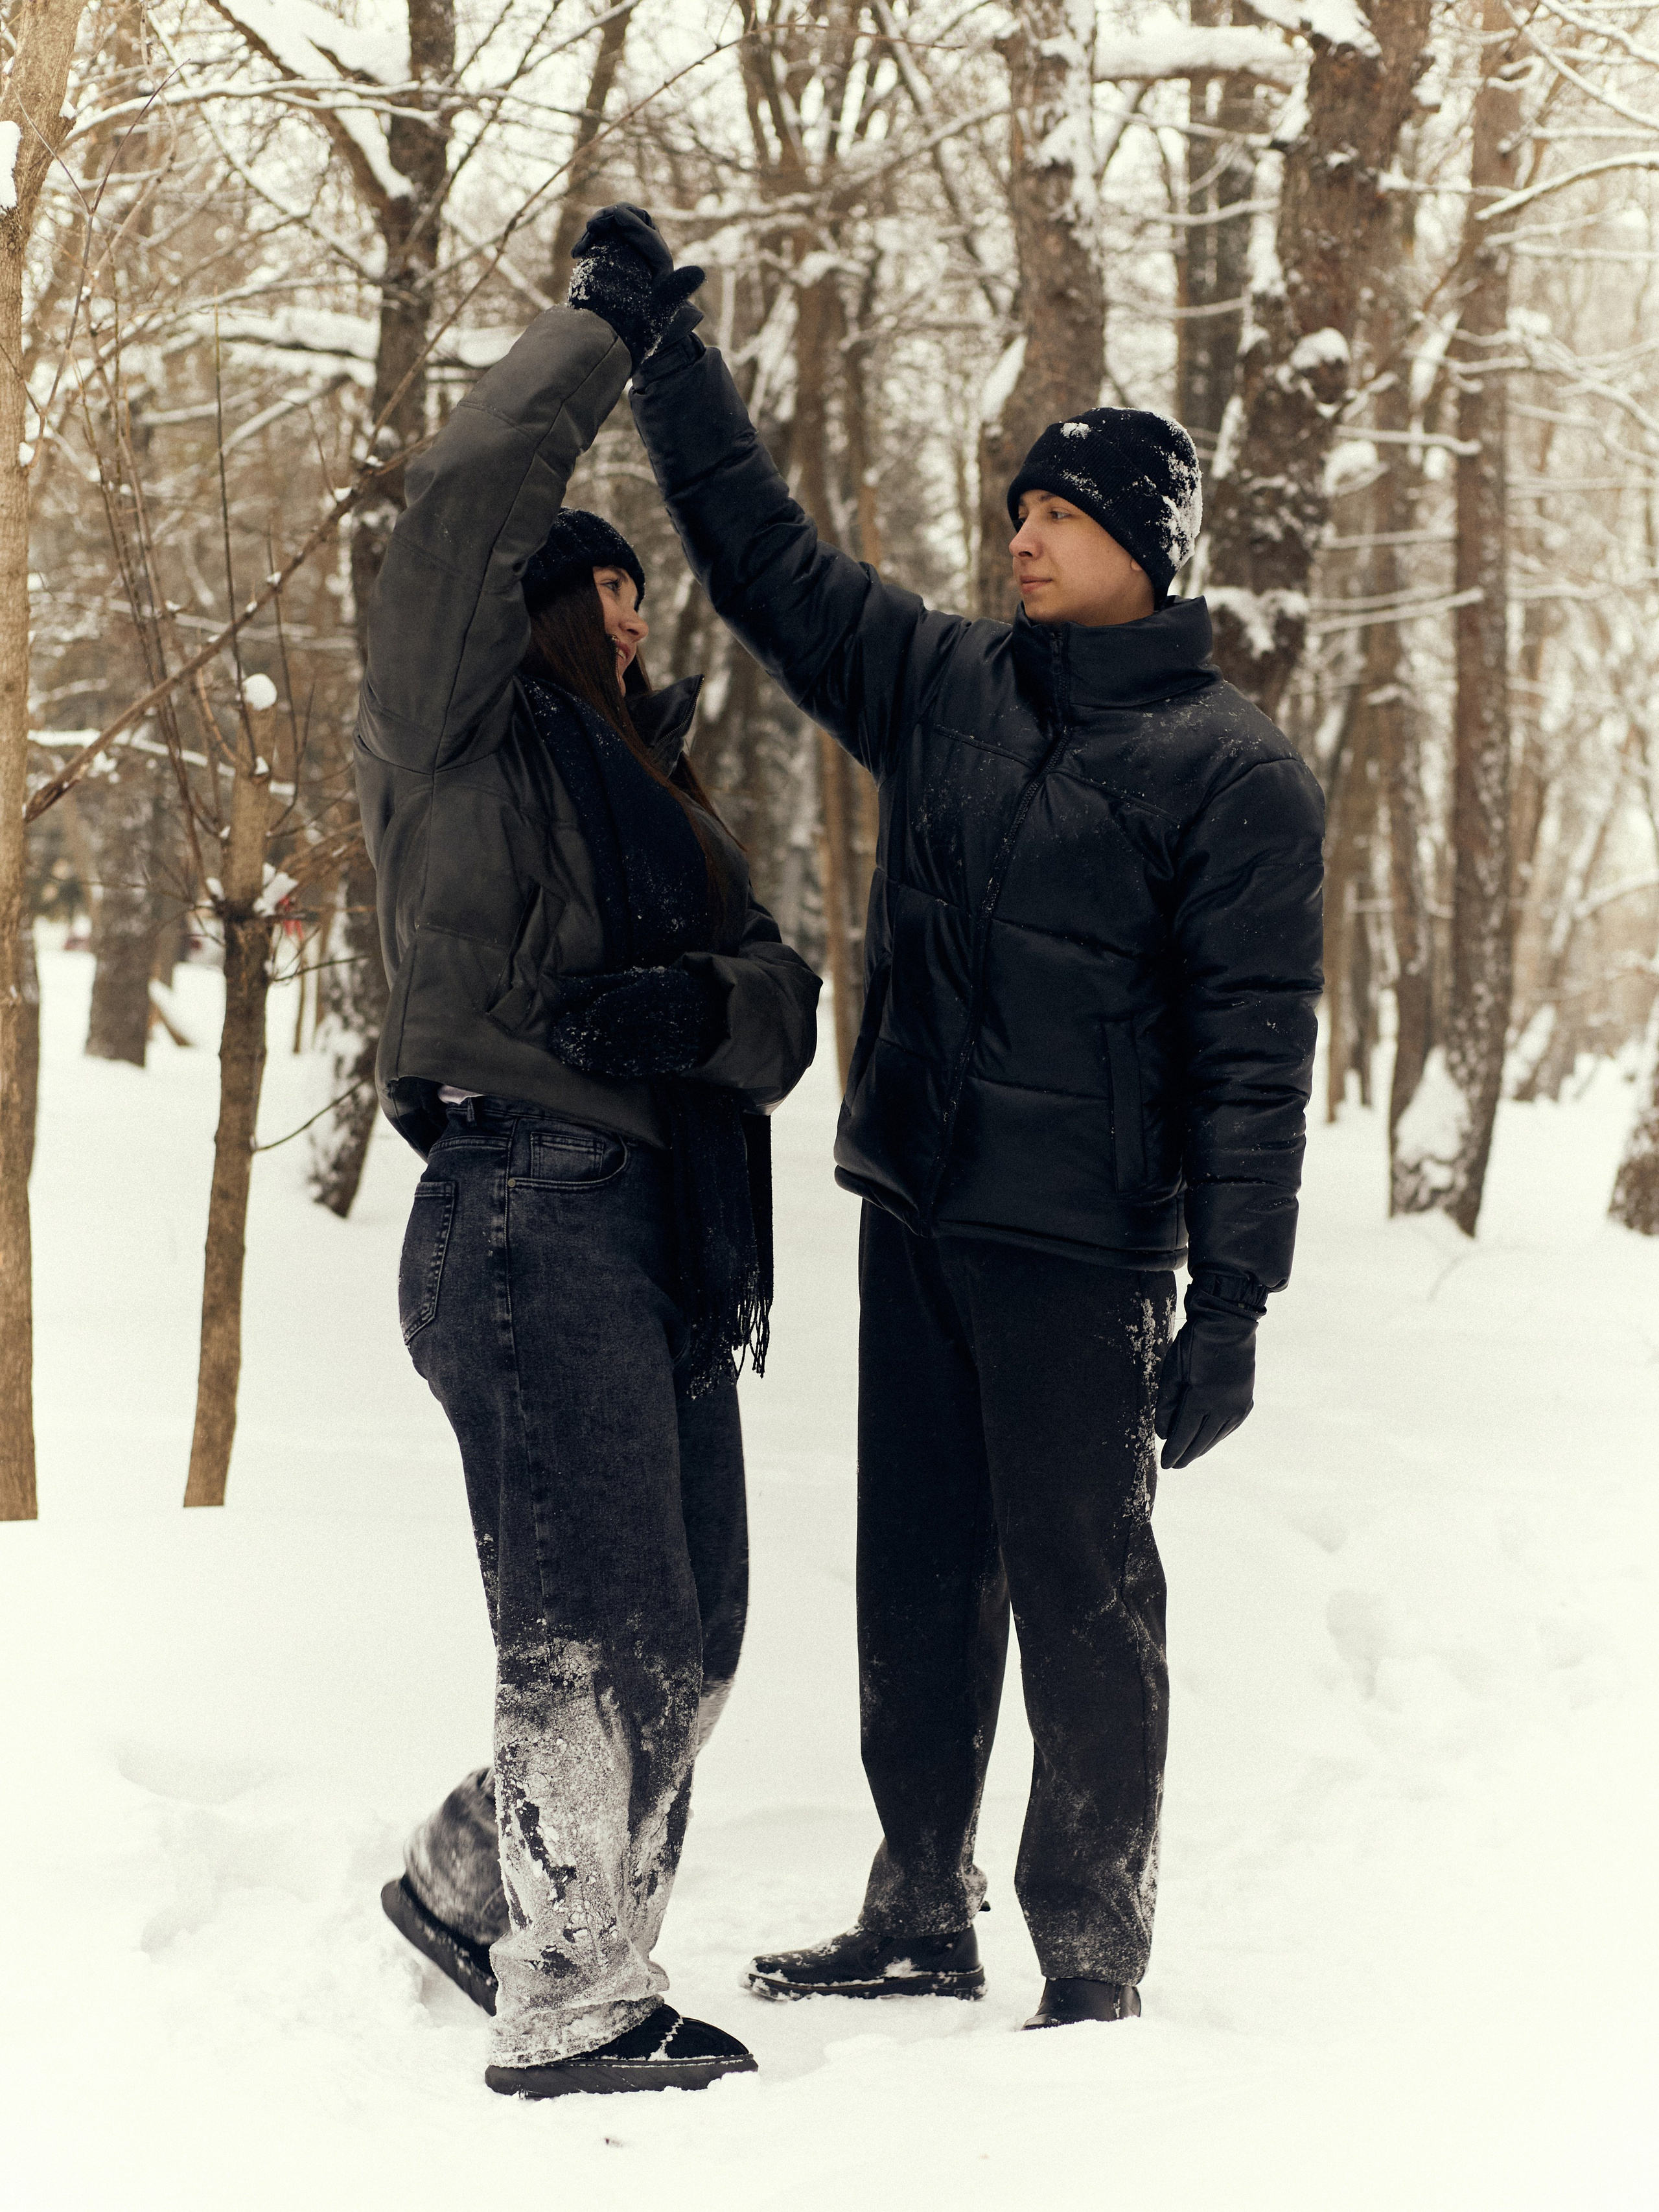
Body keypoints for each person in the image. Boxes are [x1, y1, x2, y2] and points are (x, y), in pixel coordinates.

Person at [567, 205, 1325, 2032]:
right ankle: (918, 1900)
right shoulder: (949, 687)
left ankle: (1094, 1944)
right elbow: (763, 559)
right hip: (918, 1203)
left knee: (1082, 1589)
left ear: (1148, 546)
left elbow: (1252, 1052)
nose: (1023, 538)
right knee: (912, 1570)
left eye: (1057, 515)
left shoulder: (1236, 776)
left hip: (1084, 1246)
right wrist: (668, 362)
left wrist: (1233, 1303)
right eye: (1016, 515)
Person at [356, 281, 821, 2097]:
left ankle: (470, 1885)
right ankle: (569, 1994)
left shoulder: (672, 803)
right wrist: (600, 342)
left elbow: (786, 1003)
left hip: (665, 1232)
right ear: (533, 604)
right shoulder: (450, 733)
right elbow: (465, 497)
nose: (630, 609)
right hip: (523, 1207)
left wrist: (696, 1002)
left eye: (643, 587)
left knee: (693, 1633)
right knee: (595, 1622)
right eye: (598, 581)